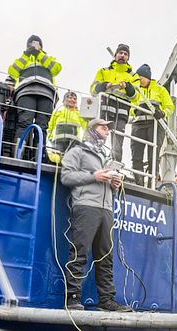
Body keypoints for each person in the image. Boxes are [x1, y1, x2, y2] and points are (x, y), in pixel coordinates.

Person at [60, 119, 132, 312]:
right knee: (79, 252)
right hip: (85, 206)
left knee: (106, 256)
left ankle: (107, 300)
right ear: (92, 130)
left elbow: (105, 183)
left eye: (108, 129)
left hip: (106, 209)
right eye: (103, 128)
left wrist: (114, 186)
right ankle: (73, 298)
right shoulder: (77, 152)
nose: (107, 132)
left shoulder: (106, 157)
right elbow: (66, 177)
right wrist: (94, 175)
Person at [7, 35, 62, 158]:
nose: (34, 46)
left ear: (41, 46)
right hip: (26, 92)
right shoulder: (24, 58)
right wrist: (27, 55)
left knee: (42, 126)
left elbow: (56, 69)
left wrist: (40, 55)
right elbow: (12, 71)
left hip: (46, 93)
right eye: (32, 44)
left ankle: (38, 158)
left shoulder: (48, 58)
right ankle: (17, 156)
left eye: (37, 44)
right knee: (24, 123)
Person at [90, 44, 138, 163]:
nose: (122, 55)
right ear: (116, 55)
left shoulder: (133, 76)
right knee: (99, 138)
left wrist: (128, 87)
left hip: (121, 113)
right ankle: (94, 162)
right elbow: (93, 90)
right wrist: (103, 85)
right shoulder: (103, 71)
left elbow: (136, 96)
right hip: (104, 109)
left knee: (117, 144)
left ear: (128, 58)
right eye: (120, 53)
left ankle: (114, 167)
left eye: (125, 54)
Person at [129, 64, 174, 186]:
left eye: (140, 78)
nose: (139, 81)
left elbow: (170, 107)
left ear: (147, 77)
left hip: (154, 125)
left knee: (153, 156)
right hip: (138, 124)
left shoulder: (160, 90)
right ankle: (138, 182)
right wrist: (134, 111)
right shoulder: (136, 89)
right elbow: (129, 107)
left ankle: (151, 183)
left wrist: (162, 113)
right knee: (136, 155)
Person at [46, 91, 87, 161]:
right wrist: (50, 138)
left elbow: (86, 127)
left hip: (74, 143)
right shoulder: (58, 112)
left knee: (72, 160)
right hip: (58, 141)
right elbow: (50, 126)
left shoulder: (79, 114)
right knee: (56, 159)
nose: (72, 100)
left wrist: (84, 140)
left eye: (74, 99)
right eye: (70, 98)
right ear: (64, 100)